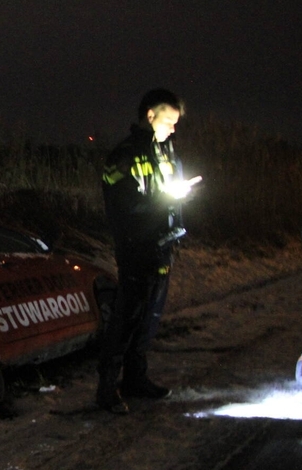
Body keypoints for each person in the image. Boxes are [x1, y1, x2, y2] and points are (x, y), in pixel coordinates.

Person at [97, 88, 195, 414]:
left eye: (176, 123)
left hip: (162, 246)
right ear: (150, 116)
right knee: (127, 317)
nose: (173, 128)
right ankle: (107, 388)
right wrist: (161, 204)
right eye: (169, 121)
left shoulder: (167, 154)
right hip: (136, 248)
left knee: (149, 318)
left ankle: (136, 379)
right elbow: (120, 205)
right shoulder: (124, 156)